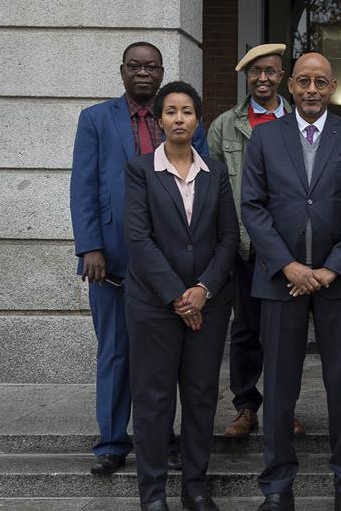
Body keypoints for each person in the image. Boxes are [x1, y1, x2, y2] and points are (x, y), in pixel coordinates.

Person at [241, 52, 341, 511]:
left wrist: (333, 267)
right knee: (280, 387)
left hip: (340, 281)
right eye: (303, 81)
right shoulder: (265, 137)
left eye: (320, 82)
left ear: (333, 86)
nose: (312, 89)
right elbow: (253, 206)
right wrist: (288, 265)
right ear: (290, 86)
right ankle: (277, 487)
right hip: (281, 281)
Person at [70, 41, 204, 476]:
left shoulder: (181, 119)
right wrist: (90, 246)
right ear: (122, 70)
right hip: (111, 260)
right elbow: (84, 186)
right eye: (135, 66)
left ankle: (162, 438)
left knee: (164, 357)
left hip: (170, 261)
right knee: (115, 352)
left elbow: (200, 185)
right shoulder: (95, 119)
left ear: (162, 72)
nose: (143, 72)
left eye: (151, 67)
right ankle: (112, 442)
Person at [124, 81, 238, 511]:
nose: (178, 119)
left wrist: (202, 290)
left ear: (198, 120)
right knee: (153, 400)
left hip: (208, 304)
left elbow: (228, 239)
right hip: (154, 306)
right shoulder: (140, 171)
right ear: (159, 119)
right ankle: (153, 495)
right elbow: (138, 238)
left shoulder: (216, 173)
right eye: (170, 111)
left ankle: (195, 486)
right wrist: (177, 295)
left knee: (201, 396)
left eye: (187, 111)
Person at [207, 43, 304, 439]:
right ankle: (246, 407)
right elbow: (212, 189)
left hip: (289, 249)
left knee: (286, 336)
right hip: (244, 247)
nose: (263, 78)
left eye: (270, 71)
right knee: (246, 331)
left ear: (283, 77)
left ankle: (284, 408)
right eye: (255, 72)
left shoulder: (300, 121)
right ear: (246, 77)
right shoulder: (224, 126)